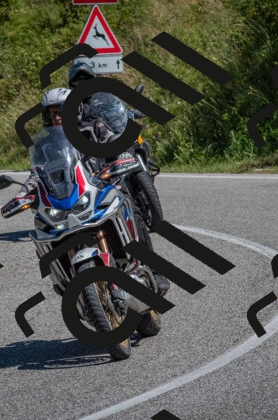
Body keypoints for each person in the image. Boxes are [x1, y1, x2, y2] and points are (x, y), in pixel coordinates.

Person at [12, 86, 170, 296]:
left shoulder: (94, 127)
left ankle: (153, 269)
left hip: (104, 187)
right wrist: (23, 193)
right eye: (52, 114)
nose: (57, 118)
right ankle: (65, 281)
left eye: (61, 112)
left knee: (131, 208)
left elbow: (115, 143)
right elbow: (36, 173)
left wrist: (122, 155)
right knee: (45, 226)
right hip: (70, 198)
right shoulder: (44, 145)